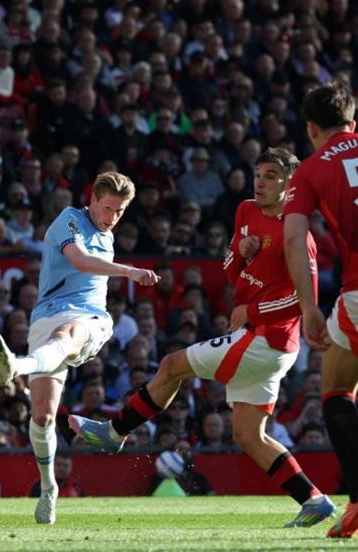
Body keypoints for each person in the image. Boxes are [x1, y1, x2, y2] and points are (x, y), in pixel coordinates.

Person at [72, 149, 337, 528]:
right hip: (256, 336)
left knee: (171, 365)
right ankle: (314, 499)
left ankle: (115, 432)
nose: (260, 182)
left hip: (267, 339)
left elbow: (302, 298)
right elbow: (230, 270)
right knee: (247, 435)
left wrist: (253, 312)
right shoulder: (246, 211)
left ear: (290, 184)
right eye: (258, 173)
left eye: (272, 176)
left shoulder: (299, 235)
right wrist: (238, 253)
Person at [0, 171, 160, 524]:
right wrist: (130, 271)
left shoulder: (107, 236)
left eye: (120, 211)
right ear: (92, 200)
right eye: (108, 207)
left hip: (90, 319)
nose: (112, 217)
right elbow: (80, 261)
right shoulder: (70, 220)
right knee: (43, 416)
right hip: (46, 315)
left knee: (67, 335)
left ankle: (17, 366)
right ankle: (49, 488)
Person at [283, 82, 358, 539]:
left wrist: (308, 307)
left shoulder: (309, 171)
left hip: (356, 293)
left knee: (335, 393)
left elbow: (294, 239)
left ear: (312, 129)